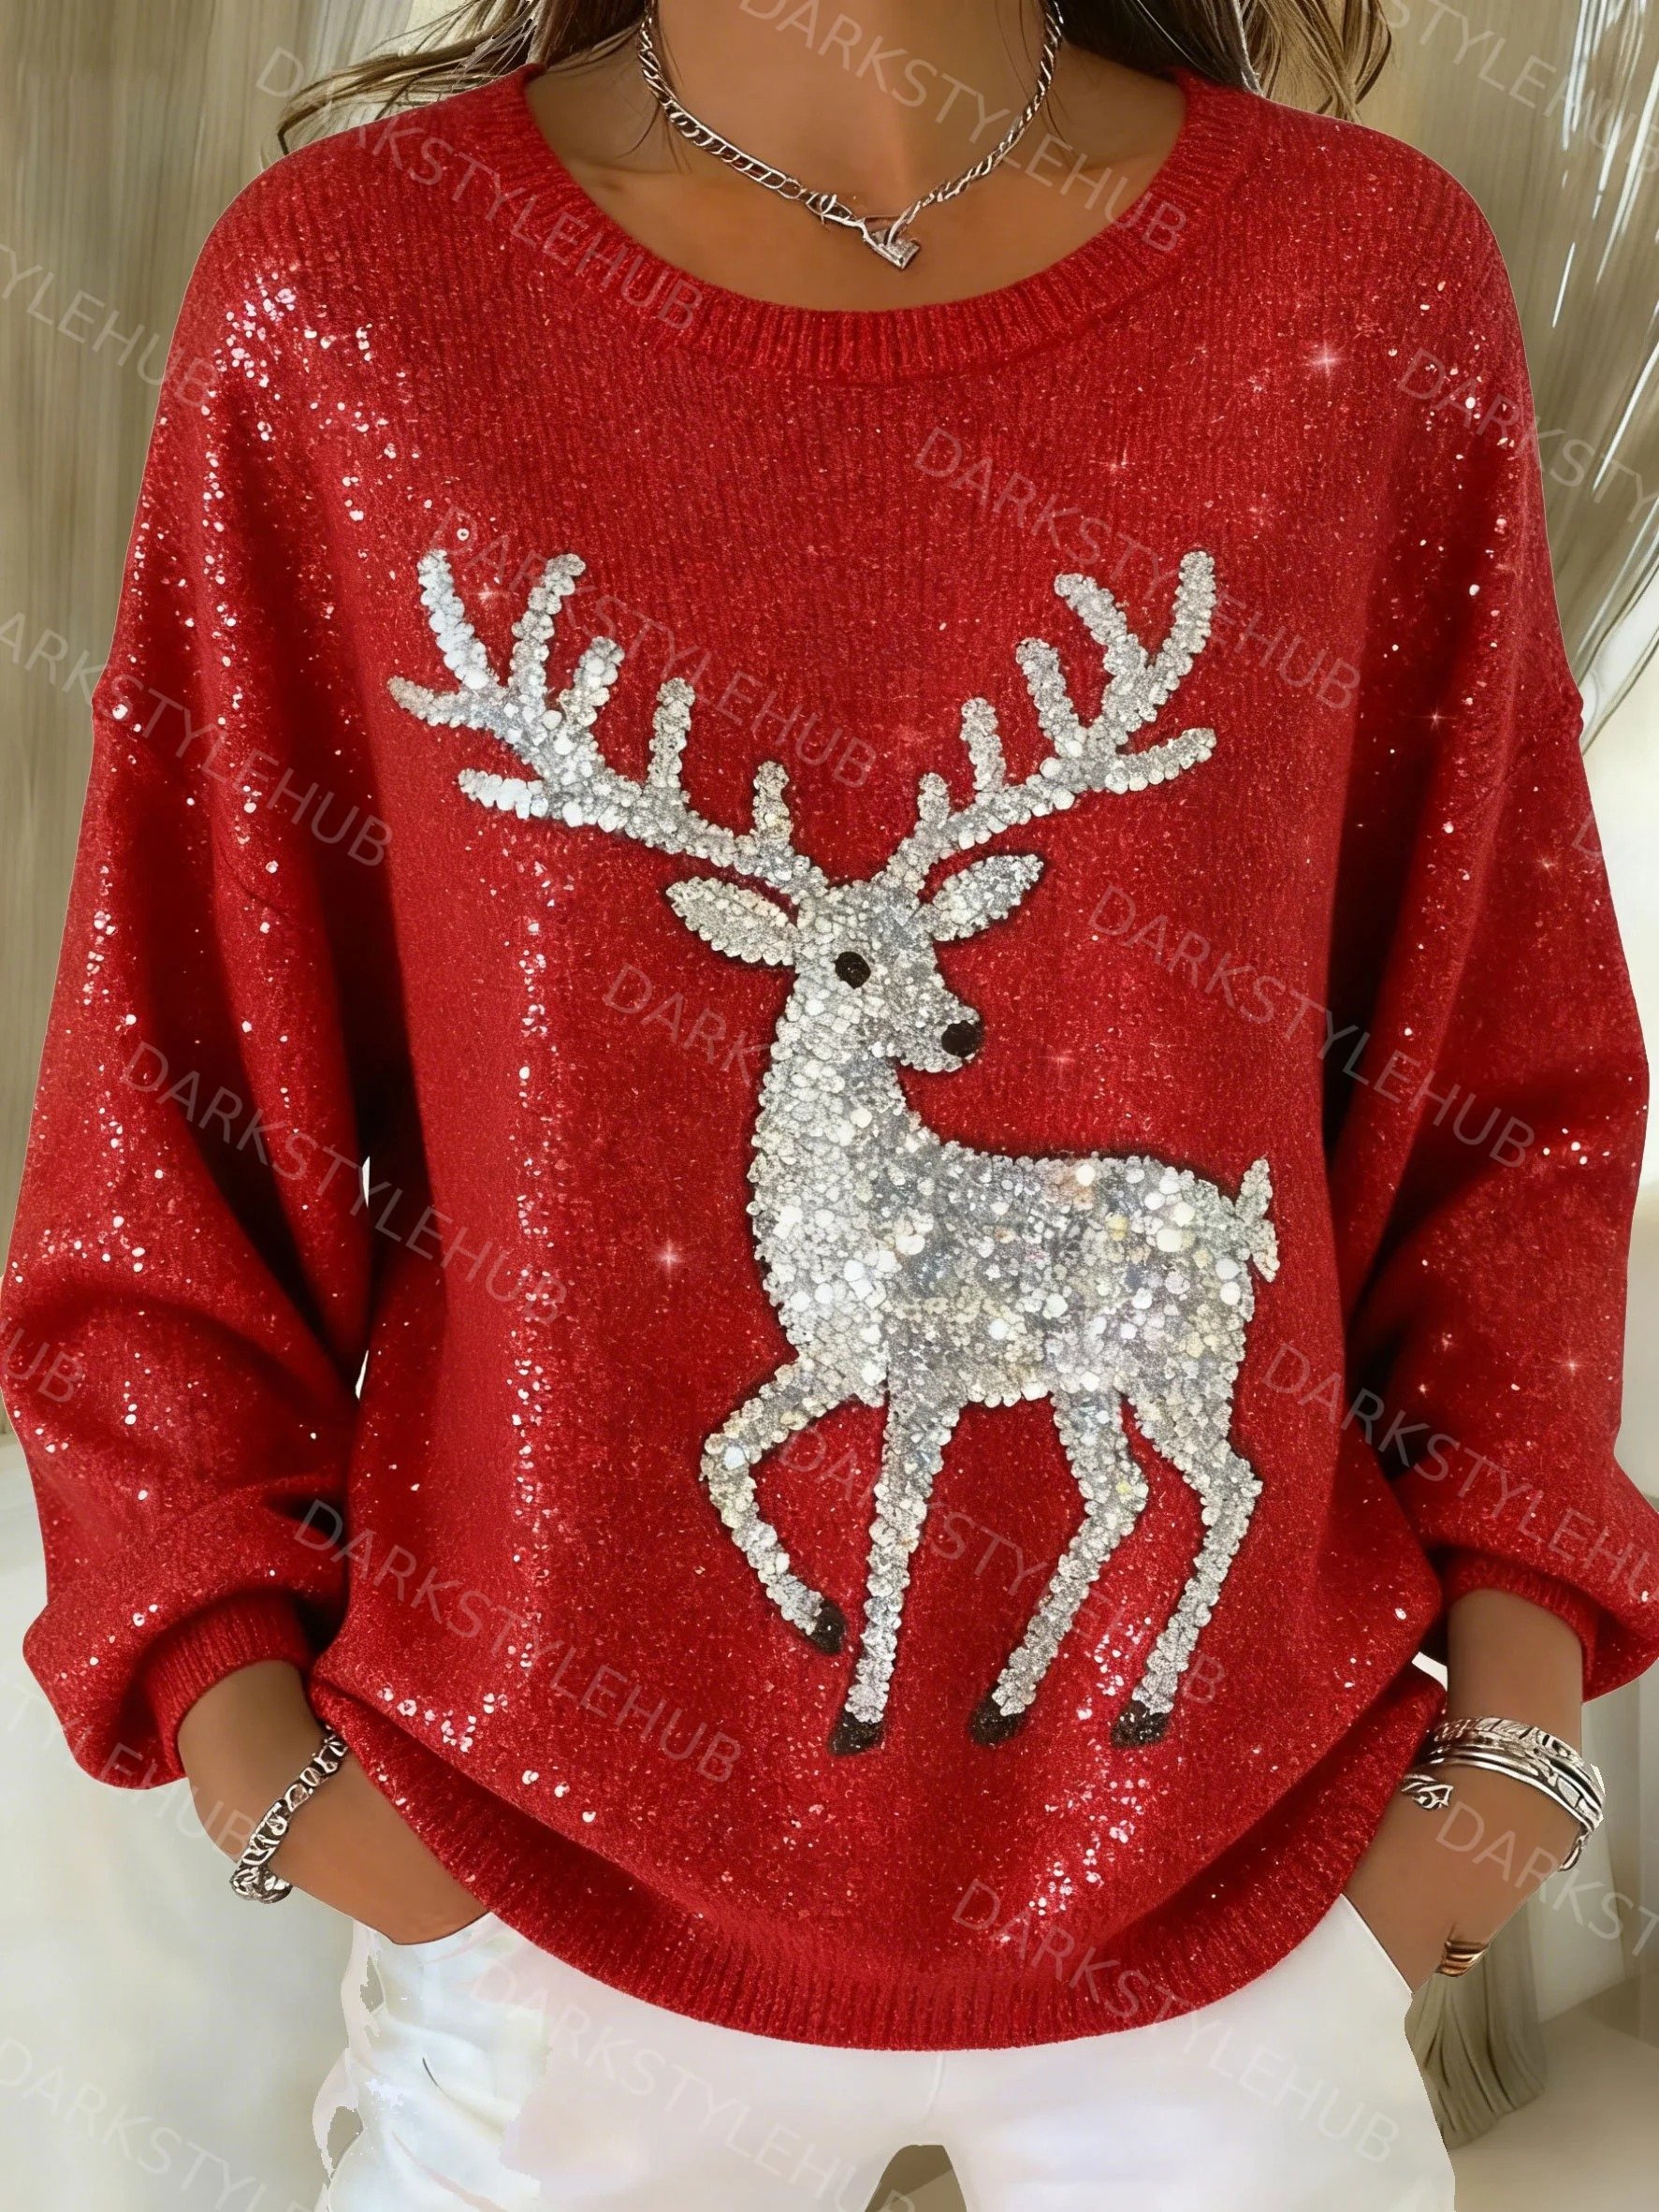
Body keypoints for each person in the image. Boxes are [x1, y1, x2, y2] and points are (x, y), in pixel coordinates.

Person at [6, 2, 1655, 2205]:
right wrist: (256, 1751)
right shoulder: (346, 303)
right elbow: (176, 1103)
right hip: (540, 1917)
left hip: (1246, 1908)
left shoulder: (1350, 288)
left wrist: (1505, 1763)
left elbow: (1496, 1078)